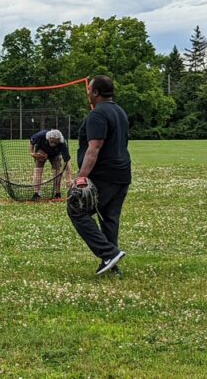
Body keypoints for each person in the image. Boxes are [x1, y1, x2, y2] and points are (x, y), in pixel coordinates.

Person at [69, 75, 132, 276]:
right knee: (109, 217)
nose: (87, 92)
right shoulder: (119, 111)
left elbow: (94, 148)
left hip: (104, 174)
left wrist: (81, 177)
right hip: (122, 174)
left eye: (89, 89)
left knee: (76, 209)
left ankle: (109, 253)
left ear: (96, 92)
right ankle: (112, 265)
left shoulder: (97, 114)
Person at [29, 128, 72, 200]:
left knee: (57, 171)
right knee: (38, 170)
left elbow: (67, 161)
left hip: (55, 154)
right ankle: (36, 193)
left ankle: (57, 193)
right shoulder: (41, 135)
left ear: (59, 140)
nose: (53, 144)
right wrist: (32, 153)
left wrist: (69, 178)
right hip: (42, 151)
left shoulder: (62, 143)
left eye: (55, 142)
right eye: (51, 141)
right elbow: (31, 141)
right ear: (48, 138)